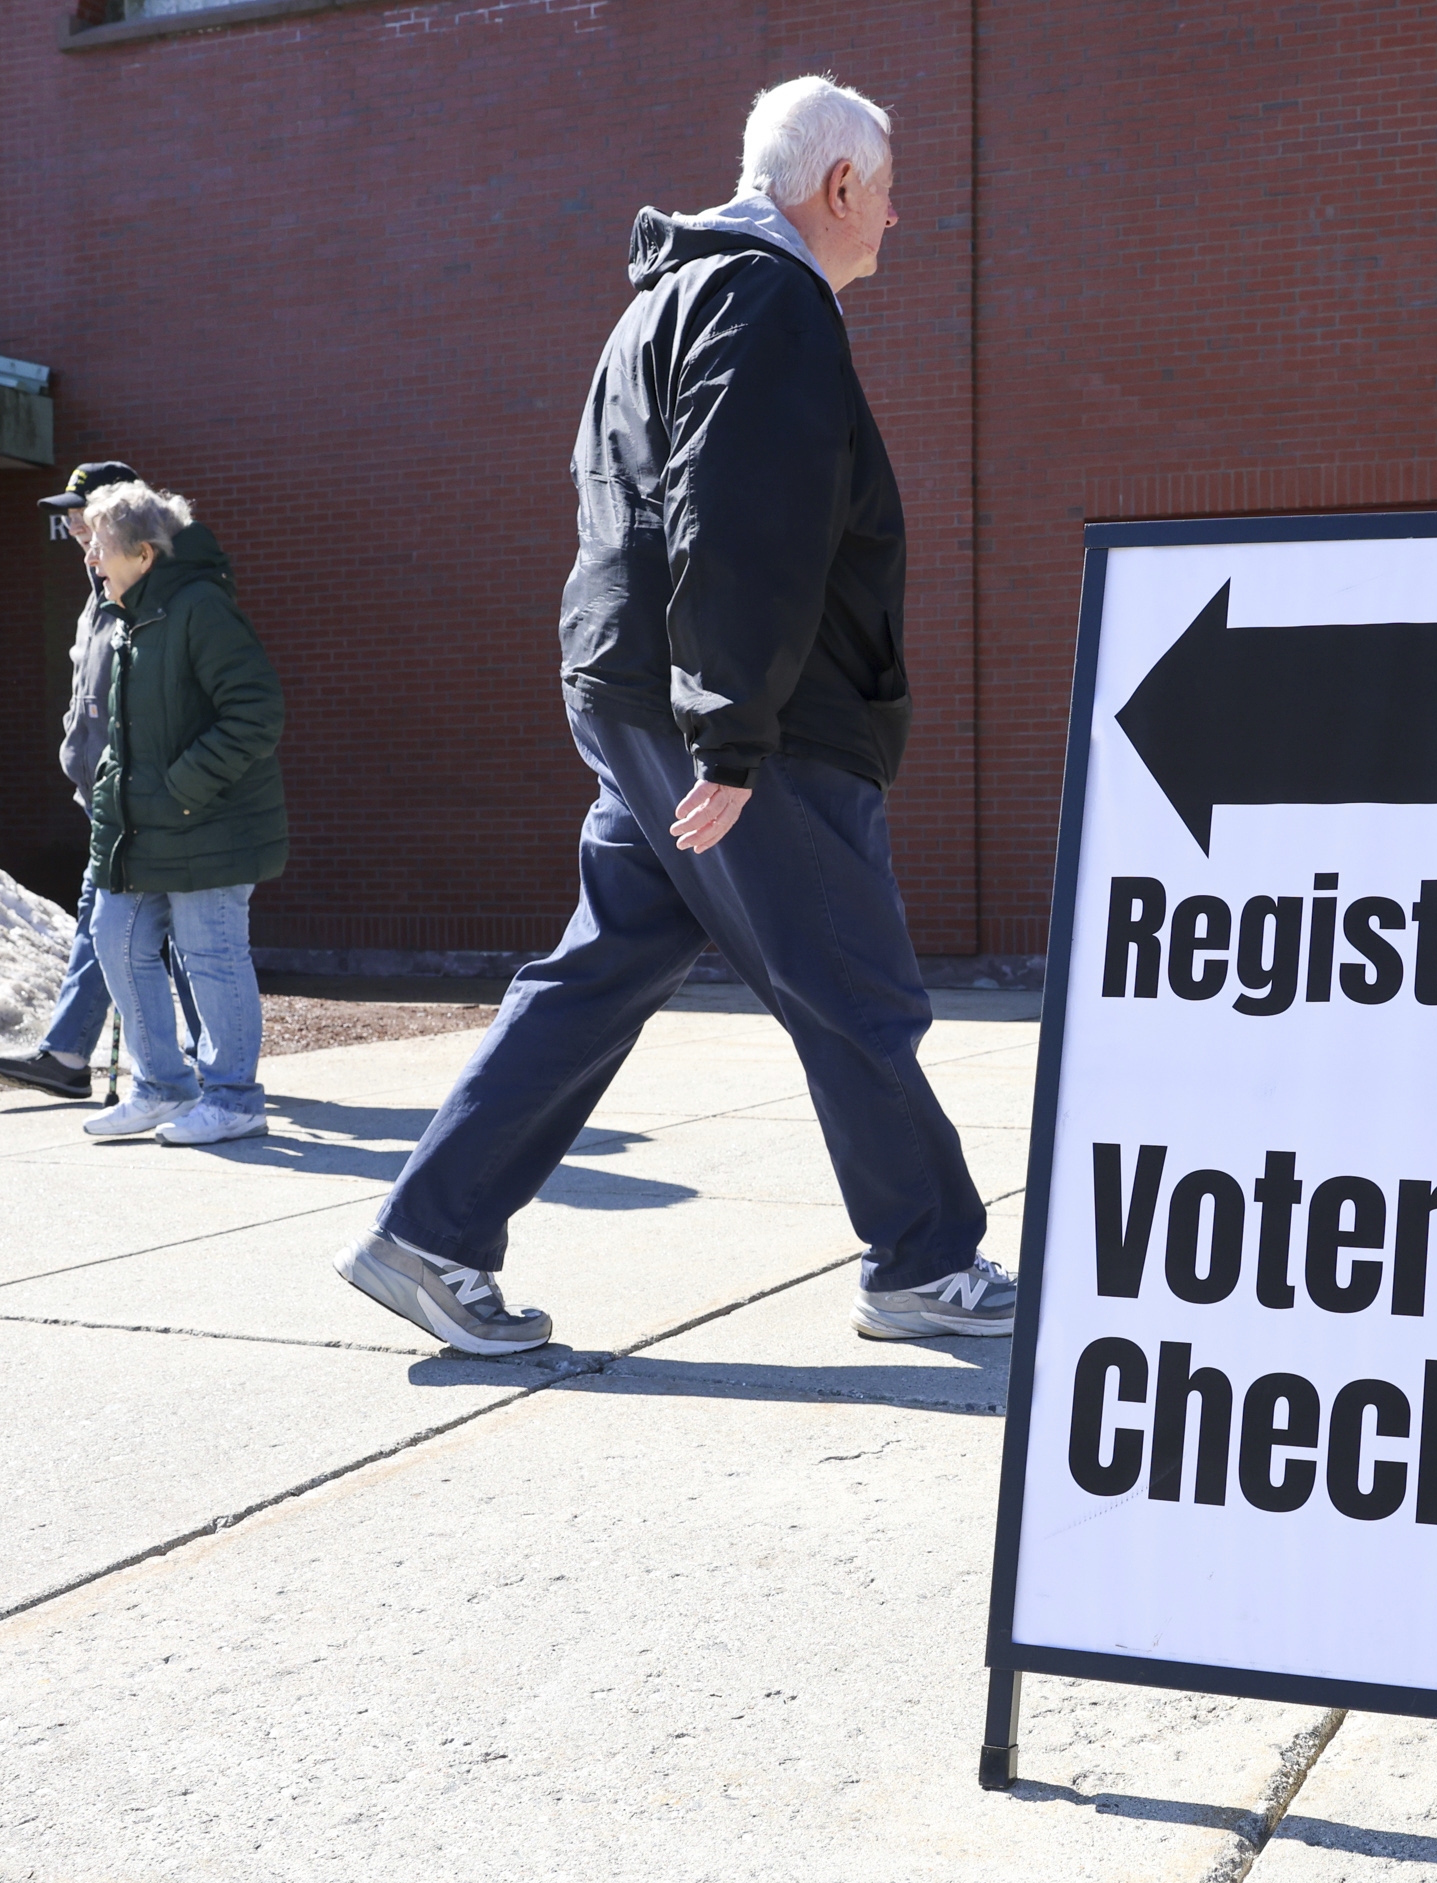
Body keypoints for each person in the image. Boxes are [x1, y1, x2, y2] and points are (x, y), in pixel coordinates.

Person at [337, 76, 1010, 1359]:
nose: (896, 222)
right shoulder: (771, 299)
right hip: (751, 720)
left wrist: (692, 716)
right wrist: (734, 734)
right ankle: (926, 1260)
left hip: (646, 697)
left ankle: (432, 1232)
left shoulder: (662, 304)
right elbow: (741, 521)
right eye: (889, 194)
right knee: (851, 981)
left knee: (601, 971)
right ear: (840, 185)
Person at [75, 482, 285, 1144]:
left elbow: (255, 713)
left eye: (102, 547)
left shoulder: (199, 607)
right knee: (116, 938)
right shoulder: (131, 616)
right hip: (146, 831)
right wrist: (119, 793)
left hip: (209, 824)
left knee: (211, 955)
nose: (92, 560)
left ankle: (233, 1100)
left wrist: (180, 786)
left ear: (143, 552)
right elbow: (128, 734)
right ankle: (162, 1087)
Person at [0, 462, 202, 1103]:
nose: (73, 526)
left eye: (83, 513)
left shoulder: (145, 595)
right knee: (157, 928)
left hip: (134, 798)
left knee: (105, 920)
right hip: (106, 795)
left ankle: (66, 1054)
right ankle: (211, 1053)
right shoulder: (98, 592)